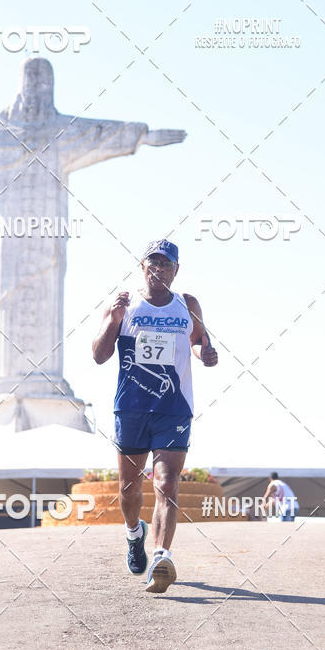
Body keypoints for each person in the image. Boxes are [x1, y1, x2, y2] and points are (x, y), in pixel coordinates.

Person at [92, 239, 218, 593]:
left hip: (173, 406)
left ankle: (162, 557)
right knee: (129, 489)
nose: (159, 269)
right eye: (153, 263)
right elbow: (99, 355)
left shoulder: (187, 304)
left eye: (166, 264)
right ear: (142, 267)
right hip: (131, 406)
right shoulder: (124, 303)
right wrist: (114, 320)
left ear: (176, 270)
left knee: (167, 483)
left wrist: (205, 353)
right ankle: (135, 534)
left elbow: (198, 341)